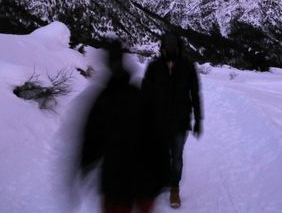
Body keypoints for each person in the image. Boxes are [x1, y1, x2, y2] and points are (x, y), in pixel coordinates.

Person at [79, 38, 169, 213]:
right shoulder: (141, 95)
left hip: (115, 182)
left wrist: (85, 166)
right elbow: (159, 136)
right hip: (145, 181)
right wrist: (164, 173)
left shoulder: (101, 100)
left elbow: (91, 140)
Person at [142, 32, 203, 209]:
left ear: (178, 47)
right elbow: (146, 94)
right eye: (167, 45)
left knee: (176, 156)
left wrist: (198, 119)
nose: (170, 48)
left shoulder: (188, 67)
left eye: (173, 45)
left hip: (180, 121)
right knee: (159, 154)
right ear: (162, 47)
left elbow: (195, 95)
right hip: (158, 120)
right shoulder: (154, 67)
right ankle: (159, 183)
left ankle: (174, 188)